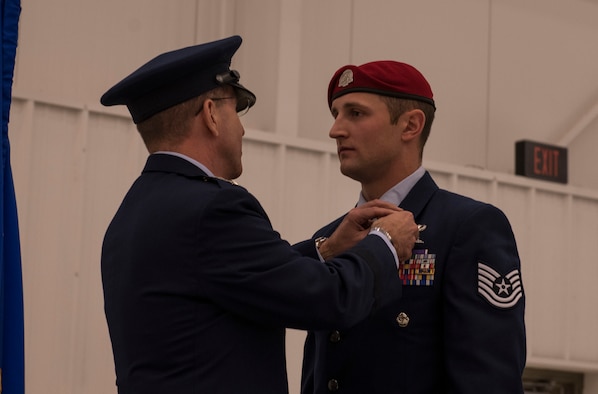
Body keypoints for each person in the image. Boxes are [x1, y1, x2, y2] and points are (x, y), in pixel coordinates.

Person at [99, 36, 420, 394]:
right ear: (210, 115)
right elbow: (328, 299)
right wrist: (386, 242)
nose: (242, 128)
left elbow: (232, 278)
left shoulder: (134, 213)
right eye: (236, 111)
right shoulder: (212, 208)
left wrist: (325, 250)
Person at [300, 61, 526, 393]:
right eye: (336, 114)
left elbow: (490, 381)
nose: (336, 130)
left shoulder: (467, 227)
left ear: (410, 125)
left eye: (356, 113)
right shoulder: (333, 238)